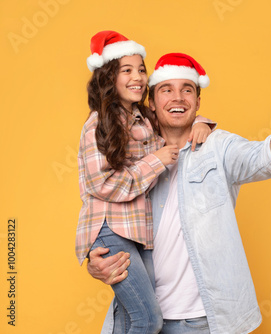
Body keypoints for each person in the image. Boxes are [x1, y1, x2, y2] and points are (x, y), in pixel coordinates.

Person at [87, 52, 271, 334]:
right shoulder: (133, 152)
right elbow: (105, 204)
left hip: (203, 322)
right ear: (151, 101)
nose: (177, 98)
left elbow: (264, 157)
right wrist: (98, 261)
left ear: (197, 102)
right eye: (166, 90)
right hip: (142, 318)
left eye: (187, 90)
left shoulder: (217, 147)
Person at [76, 32, 215, 334]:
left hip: (136, 233)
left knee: (130, 318)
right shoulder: (98, 124)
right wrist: (158, 160)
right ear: (109, 77)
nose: (138, 77)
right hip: (111, 230)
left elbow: (177, 114)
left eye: (141, 69)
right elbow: (105, 186)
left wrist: (203, 122)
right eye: (126, 70)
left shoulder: (141, 118)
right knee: (148, 319)